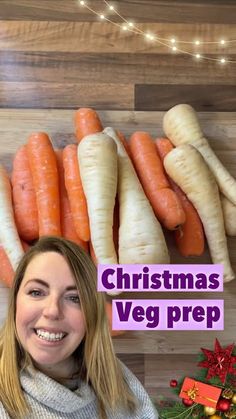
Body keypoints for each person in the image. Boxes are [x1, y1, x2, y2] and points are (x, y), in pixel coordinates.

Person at [0, 236, 158, 418]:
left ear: (91, 313)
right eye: (36, 292)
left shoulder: (119, 384)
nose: (52, 311)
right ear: (16, 302)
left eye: (74, 298)